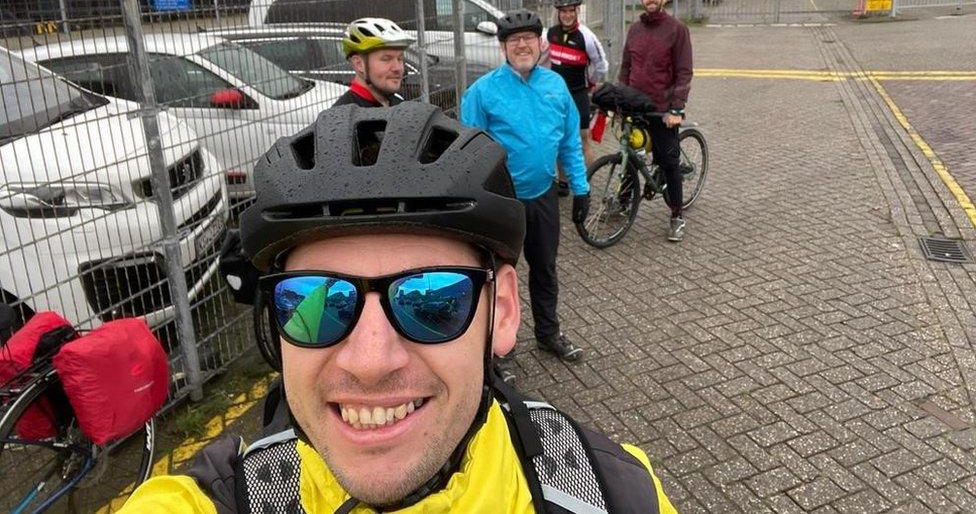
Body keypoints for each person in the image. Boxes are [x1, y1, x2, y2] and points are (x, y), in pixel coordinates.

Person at [119, 103, 677, 513]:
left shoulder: (618, 495)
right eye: (316, 302)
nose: (369, 360)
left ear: (502, 311)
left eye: (430, 301)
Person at [461, 9, 590, 371]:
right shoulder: (482, 93)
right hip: (502, 201)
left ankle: (548, 334)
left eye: (529, 38)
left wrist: (580, 189)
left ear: (540, 43)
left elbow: (569, 144)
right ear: (503, 47)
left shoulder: (555, 86)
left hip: (543, 196)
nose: (522, 45)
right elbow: (471, 154)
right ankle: (500, 346)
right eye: (514, 39)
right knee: (499, 275)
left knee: (545, 268)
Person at [619, 0, 693, 243]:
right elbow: (626, 67)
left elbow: (684, 72)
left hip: (663, 110)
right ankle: (623, 199)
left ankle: (676, 215)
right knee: (631, 152)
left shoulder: (677, 29)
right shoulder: (634, 29)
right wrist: (620, 98)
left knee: (670, 163)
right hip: (637, 106)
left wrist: (676, 109)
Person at [545, 0, 608, 185]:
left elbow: (602, 65)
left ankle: (586, 182)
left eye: (570, 11)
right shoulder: (551, 33)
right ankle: (563, 181)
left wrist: (591, 82)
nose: (567, 15)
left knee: (582, 140)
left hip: (578, 93)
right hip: (556, 95)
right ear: (558, 12)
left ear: (577, 11)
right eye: (563, 11)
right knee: (557, 139)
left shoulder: (586, 36)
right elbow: (546, 61)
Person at [333, 17, 414, 107]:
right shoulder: (345, 117)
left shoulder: (398, 104)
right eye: (386, 59)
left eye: (400, 59)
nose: (397, 68)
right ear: (359, 64)